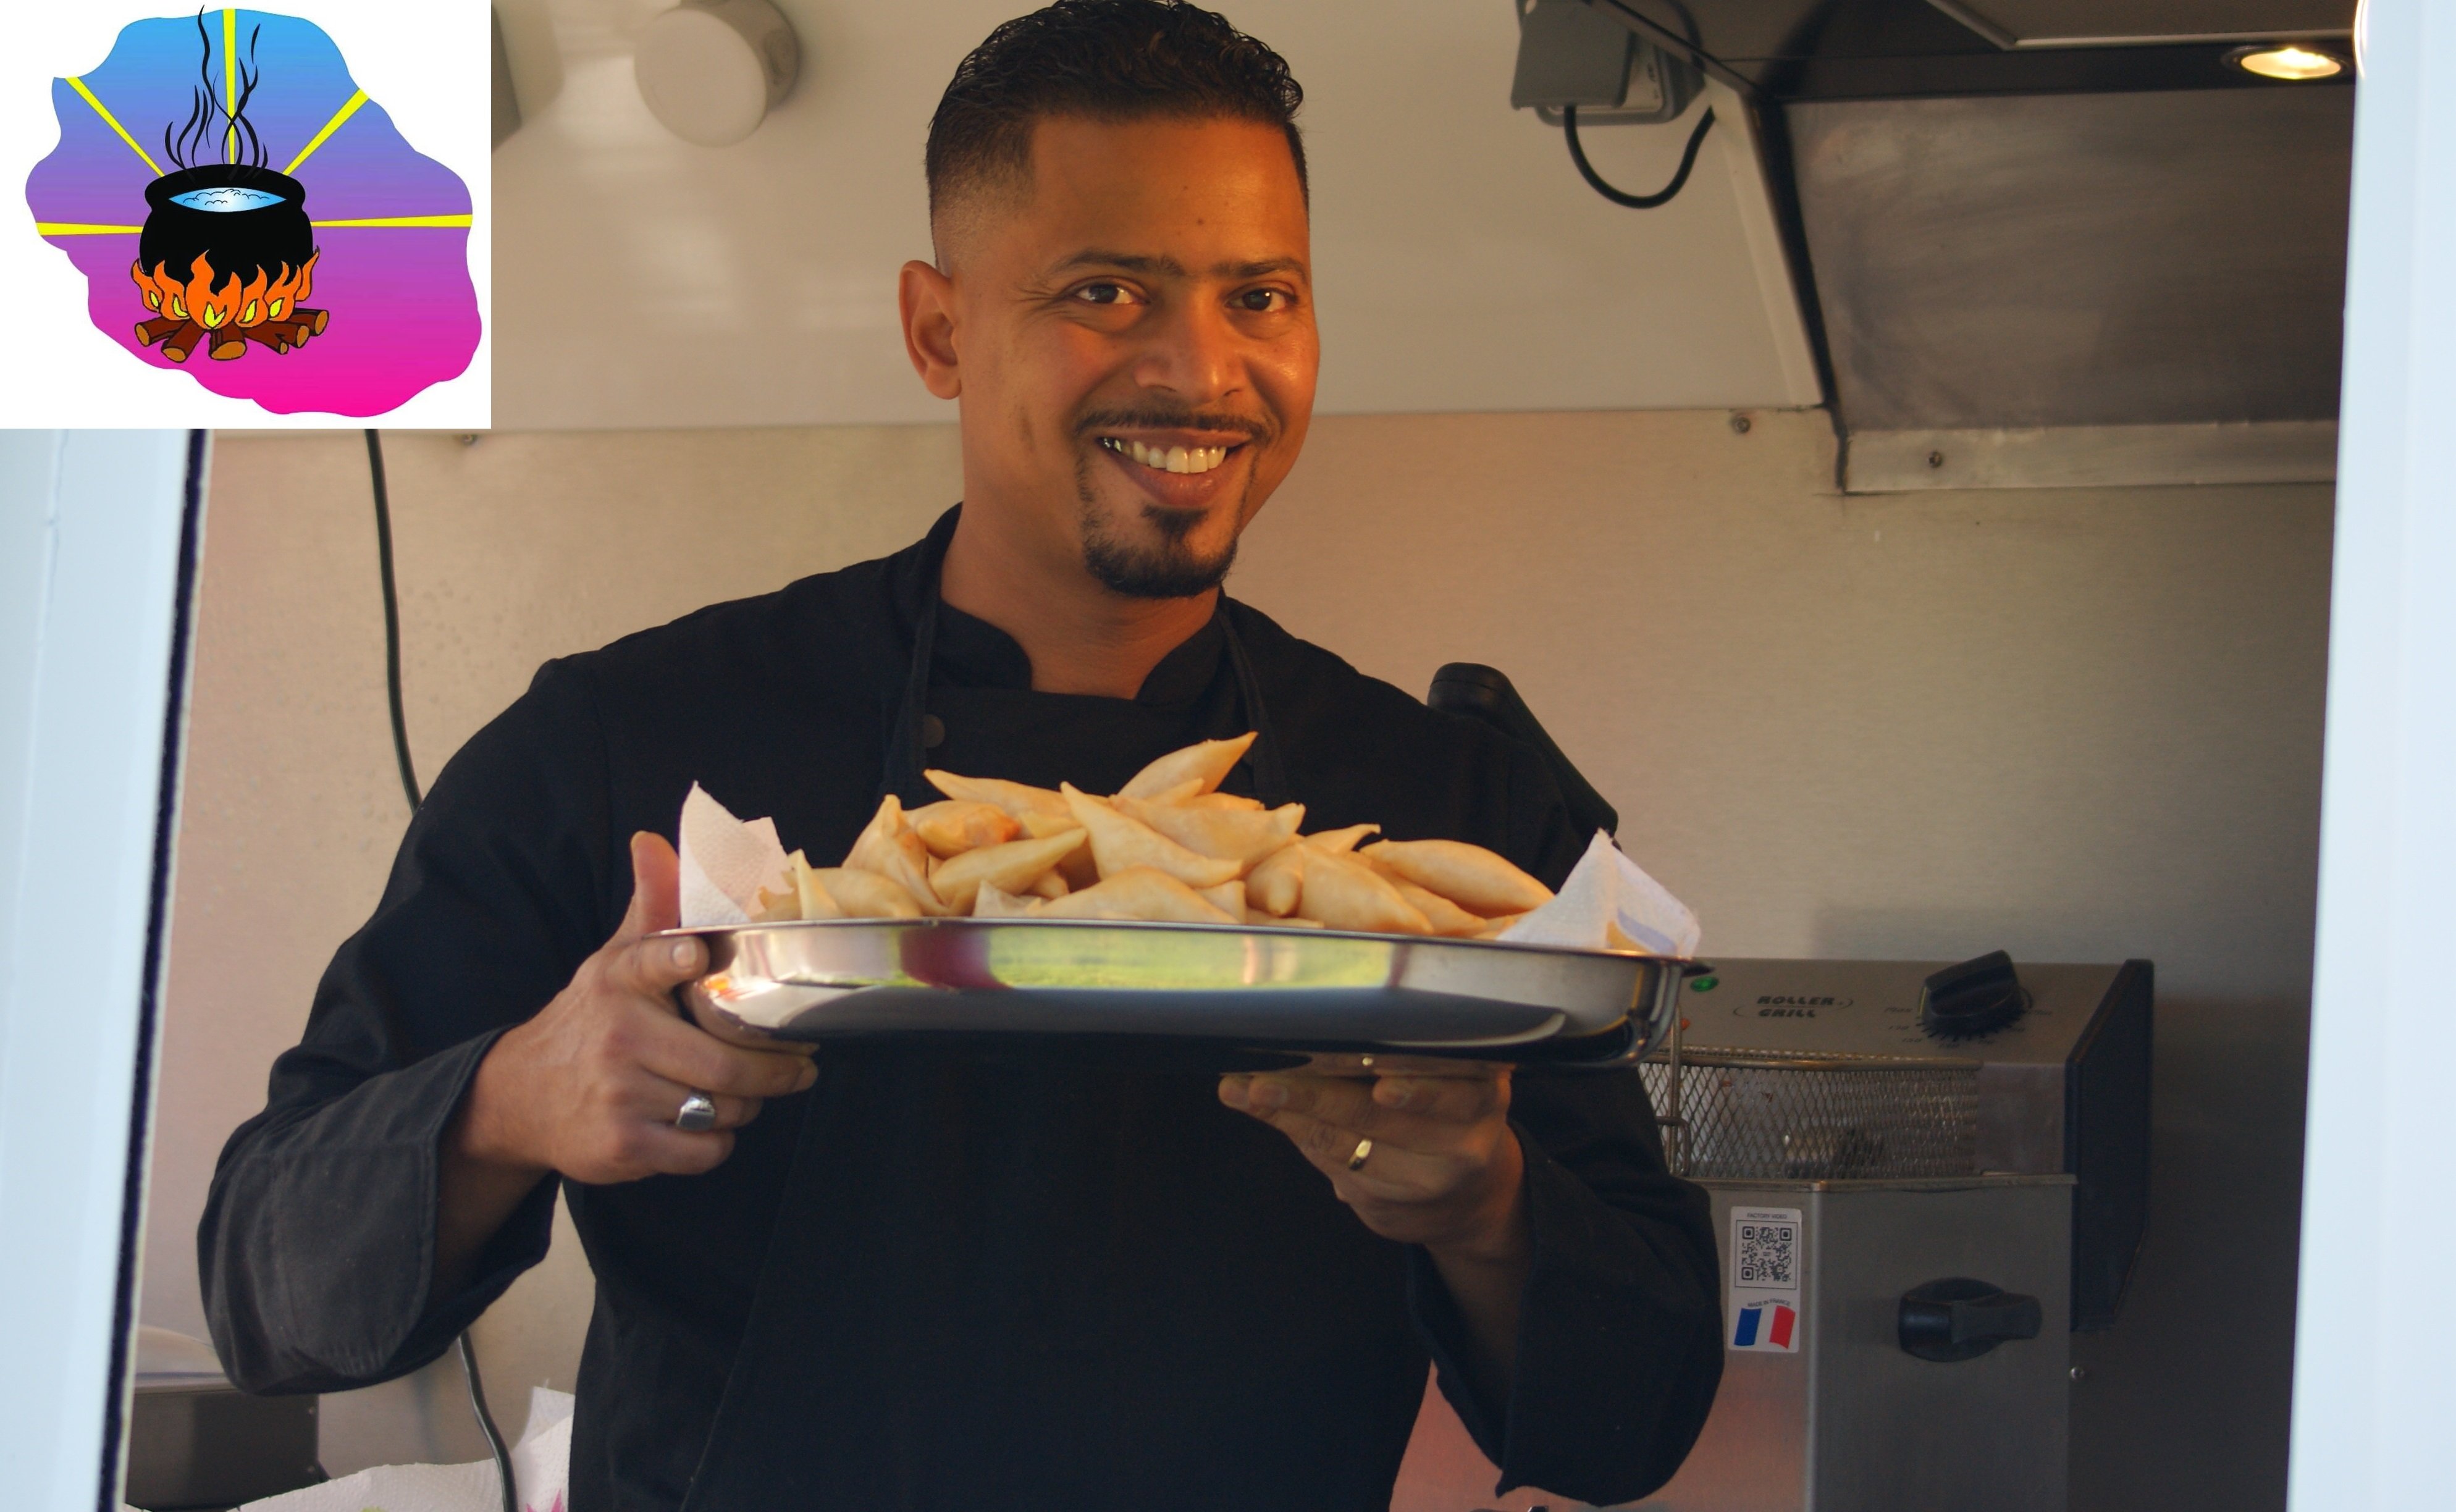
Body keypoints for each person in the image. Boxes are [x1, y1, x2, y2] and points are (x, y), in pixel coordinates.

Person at [198, 4, 1722, 1508]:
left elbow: (1629, 1423)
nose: (1201, 371)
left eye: (1260, 295)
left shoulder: (1439, 812)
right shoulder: (634, 744)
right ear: (939, 329)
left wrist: (1488, 1208)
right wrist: (517, 1098)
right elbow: (269, 1292)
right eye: (1108, 291)